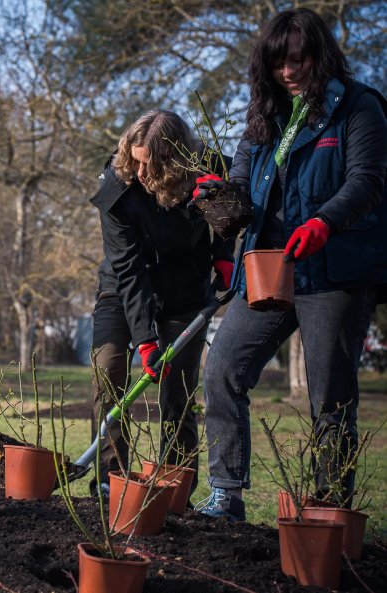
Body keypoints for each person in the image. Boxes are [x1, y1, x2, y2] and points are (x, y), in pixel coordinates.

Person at [195, 8, 387, 521]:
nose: (289, 72)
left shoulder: (358, 107)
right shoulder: (264, 116)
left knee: (330, 399)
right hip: (267, 269)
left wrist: (326, 221)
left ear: (320, 56)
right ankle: (226, 494)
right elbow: (239, 179)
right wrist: (220, 198)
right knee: (221, 371)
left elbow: (367, 180)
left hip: (334, 272)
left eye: (298, 60)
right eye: (279, 63)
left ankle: (326, 514)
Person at [89, 110, 234, 499]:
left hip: (185, 290)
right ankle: (109, 478)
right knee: (108, 372)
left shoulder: (208, 165)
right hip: (122, 290)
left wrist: (224, 252)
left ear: (175, 161)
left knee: (179, 393)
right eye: (134, 159)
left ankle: (176, 487)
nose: (138, 170)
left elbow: (237, 206)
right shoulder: (117, 183)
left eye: (148, 163)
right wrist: (147, 341)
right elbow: (128, 269)